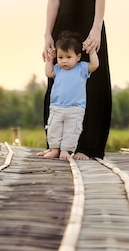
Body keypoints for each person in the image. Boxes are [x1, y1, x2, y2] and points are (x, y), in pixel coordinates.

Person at [42, 0, 112, 160]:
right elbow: (53, 0)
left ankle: (86, 147)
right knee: (58, 82)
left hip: (88, 27)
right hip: (62, 30)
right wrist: (47, 35)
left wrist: (95, 31)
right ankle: (56, 145)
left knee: (91, 82)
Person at [38, 31, 99, 160]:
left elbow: (95, 65)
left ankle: (66, 151)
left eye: (68, 57)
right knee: (54, 129)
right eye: (60, 58)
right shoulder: (58, 69)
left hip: (75, 108)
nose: (64, 61)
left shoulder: (81, 68)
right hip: (57, 106)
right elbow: (48, 73)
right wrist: (50, 59)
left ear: (78, 57)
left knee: (71, 131)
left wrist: (92, 52)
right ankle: (54, 149)